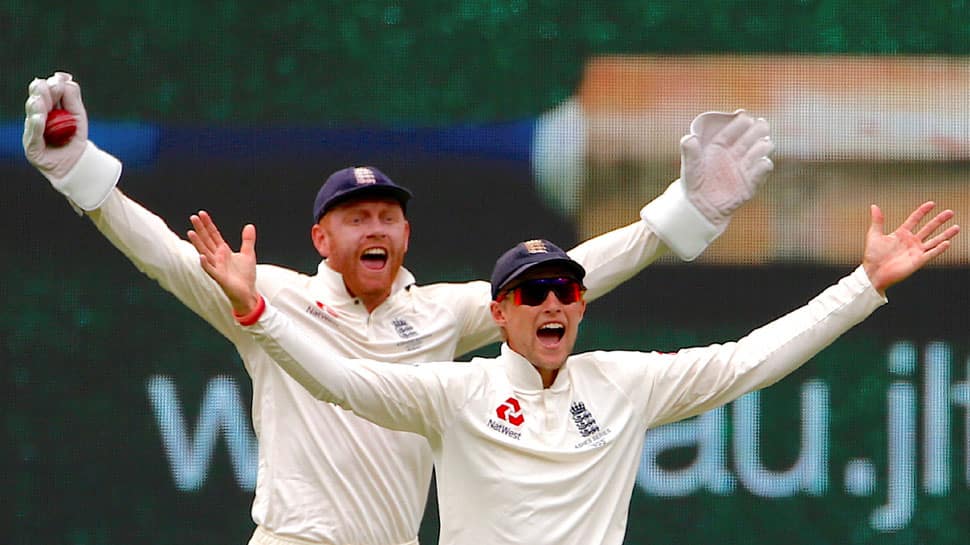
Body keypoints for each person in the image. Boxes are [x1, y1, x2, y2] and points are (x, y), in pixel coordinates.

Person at [23, 72, 774, 545]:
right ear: (322, 236)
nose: (375, 226)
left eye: (387, 215)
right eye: (356, 217)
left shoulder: (443, 314)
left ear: (408, 233)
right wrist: (78, 170)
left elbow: (567, 279)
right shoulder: (271, 296)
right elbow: (160, 252)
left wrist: (680, 213)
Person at [191, 200, 957, 545]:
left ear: (581, 307)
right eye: (533, 293)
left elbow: (750, 359)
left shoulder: (623, 382)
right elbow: (341, 382)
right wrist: (258, 313)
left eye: (566, 290)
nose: (552, 302)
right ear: (499, 314)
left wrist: (864, 285)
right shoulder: (455, 392)